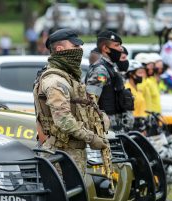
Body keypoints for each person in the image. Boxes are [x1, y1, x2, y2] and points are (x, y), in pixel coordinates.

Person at [33, 28, 109, 177]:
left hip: (71, 154)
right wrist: (92, 138)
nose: (80, 50)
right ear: (60, 49)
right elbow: (63, 120)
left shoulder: (69, 78)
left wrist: (100, 118)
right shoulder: (55, 81)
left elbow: (81, 108)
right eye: (75, 47)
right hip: (60, 155)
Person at [85, 30, 133, 132]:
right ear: (105, 48)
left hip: (116, 126)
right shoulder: (101, 70)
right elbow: (90, 101)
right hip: (105, 129)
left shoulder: (112, 67)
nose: (120, 48)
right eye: (116, 45)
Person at [124, 60, 147, 131]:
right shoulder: (127, 89)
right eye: (139, 73)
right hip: (133, 126)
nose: (142, 75)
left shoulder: (138, 89)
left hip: (141, 124)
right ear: (131, 74)